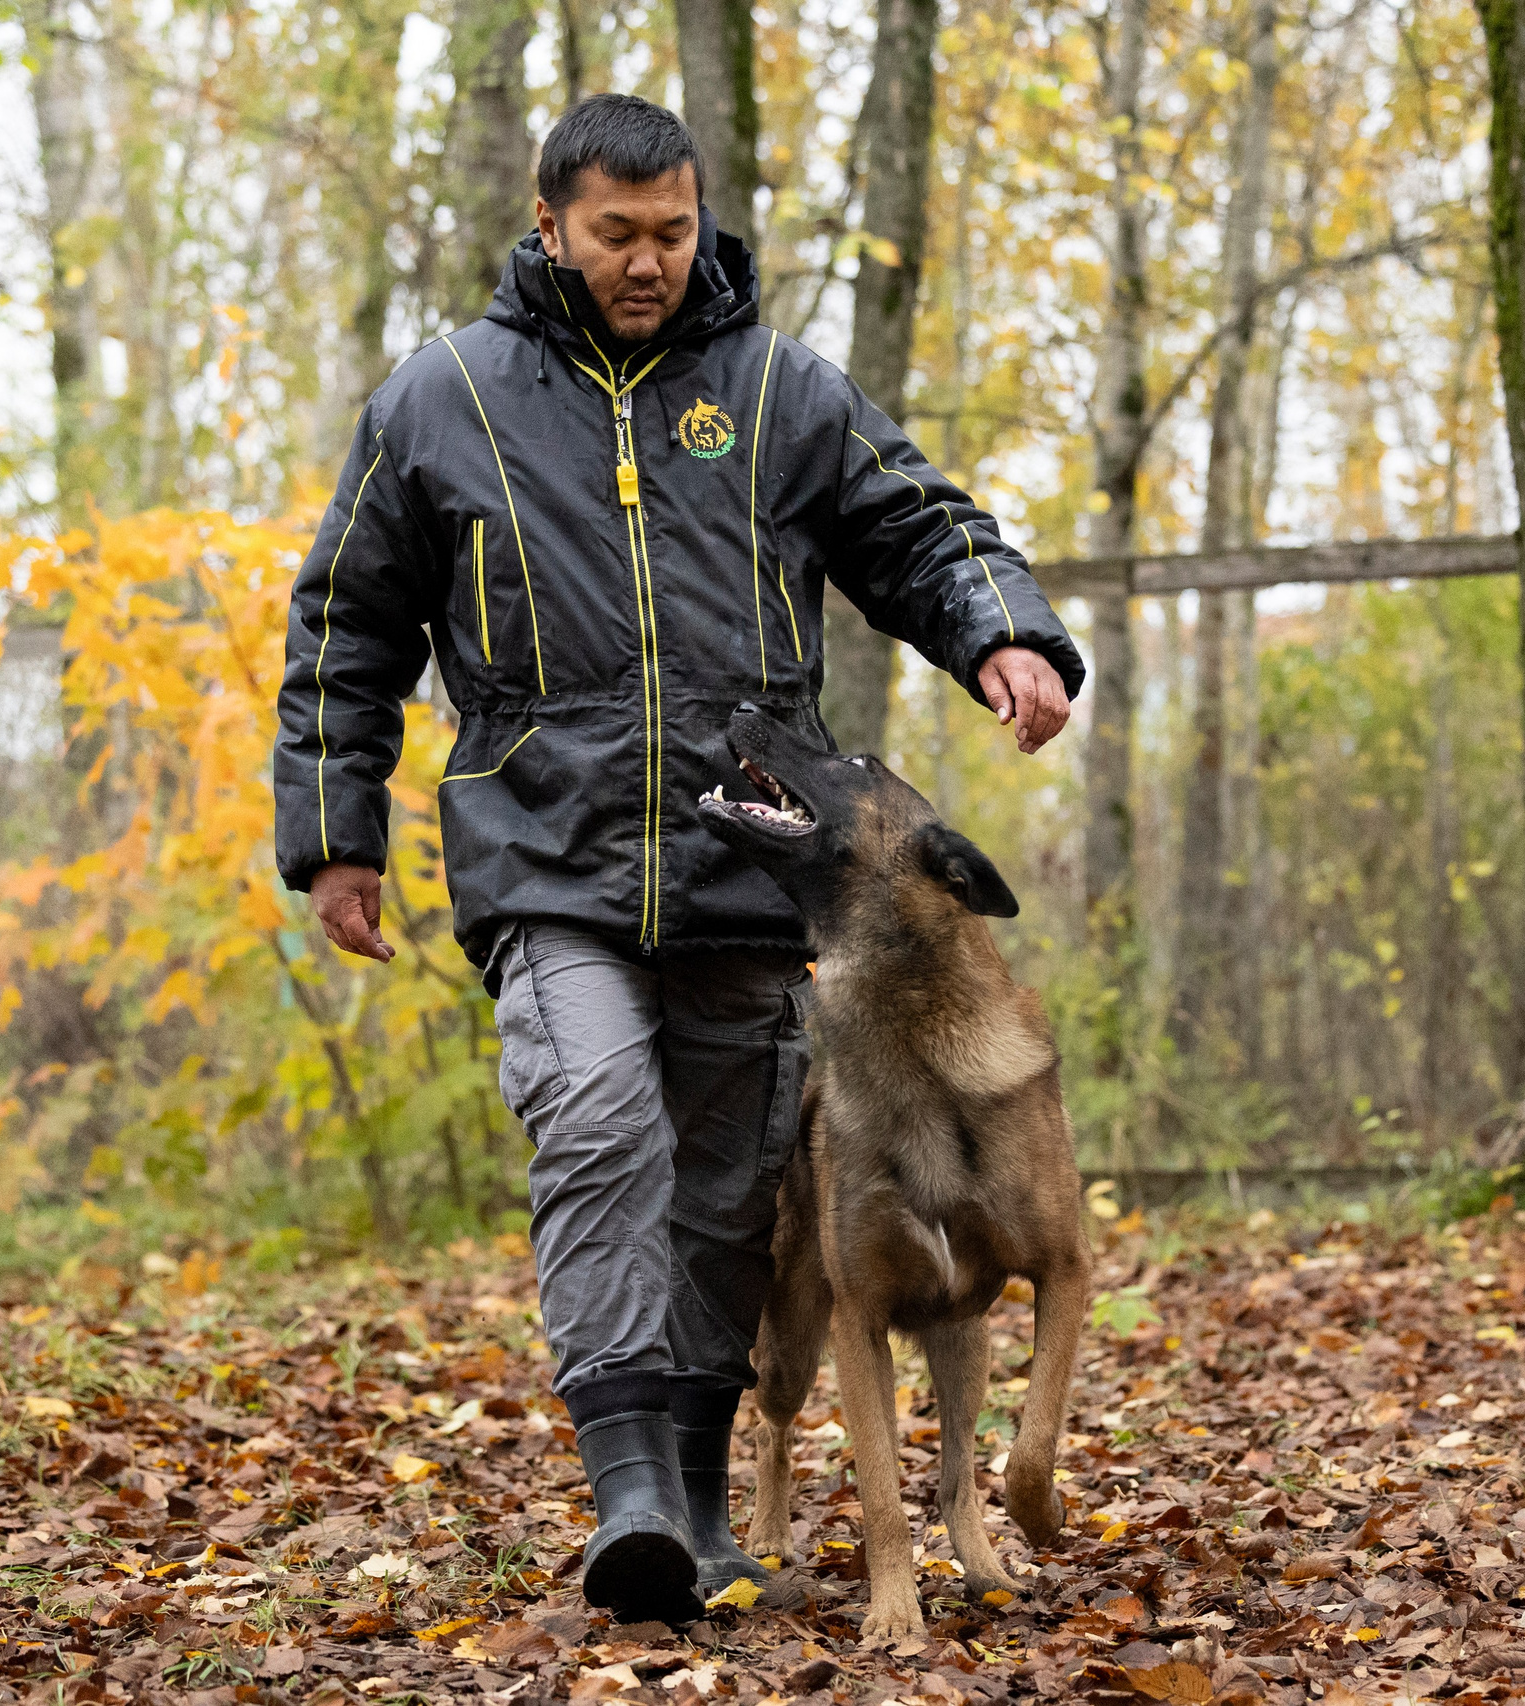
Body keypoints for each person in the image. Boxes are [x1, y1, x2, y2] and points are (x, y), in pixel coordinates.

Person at [271, 92, 1084, 1626]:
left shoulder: (779, 389)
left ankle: (699, 1506)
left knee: (724, 1191)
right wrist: (334, 835)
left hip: (745, 864)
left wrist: (1004, 632)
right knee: (597, 1119)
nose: (648, 260)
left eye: (672, 230)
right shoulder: (445, 397)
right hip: (544, 854)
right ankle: (632, 1484)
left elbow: (918, 525)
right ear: (550, 227)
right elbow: (347, 621)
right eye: (615, 234)